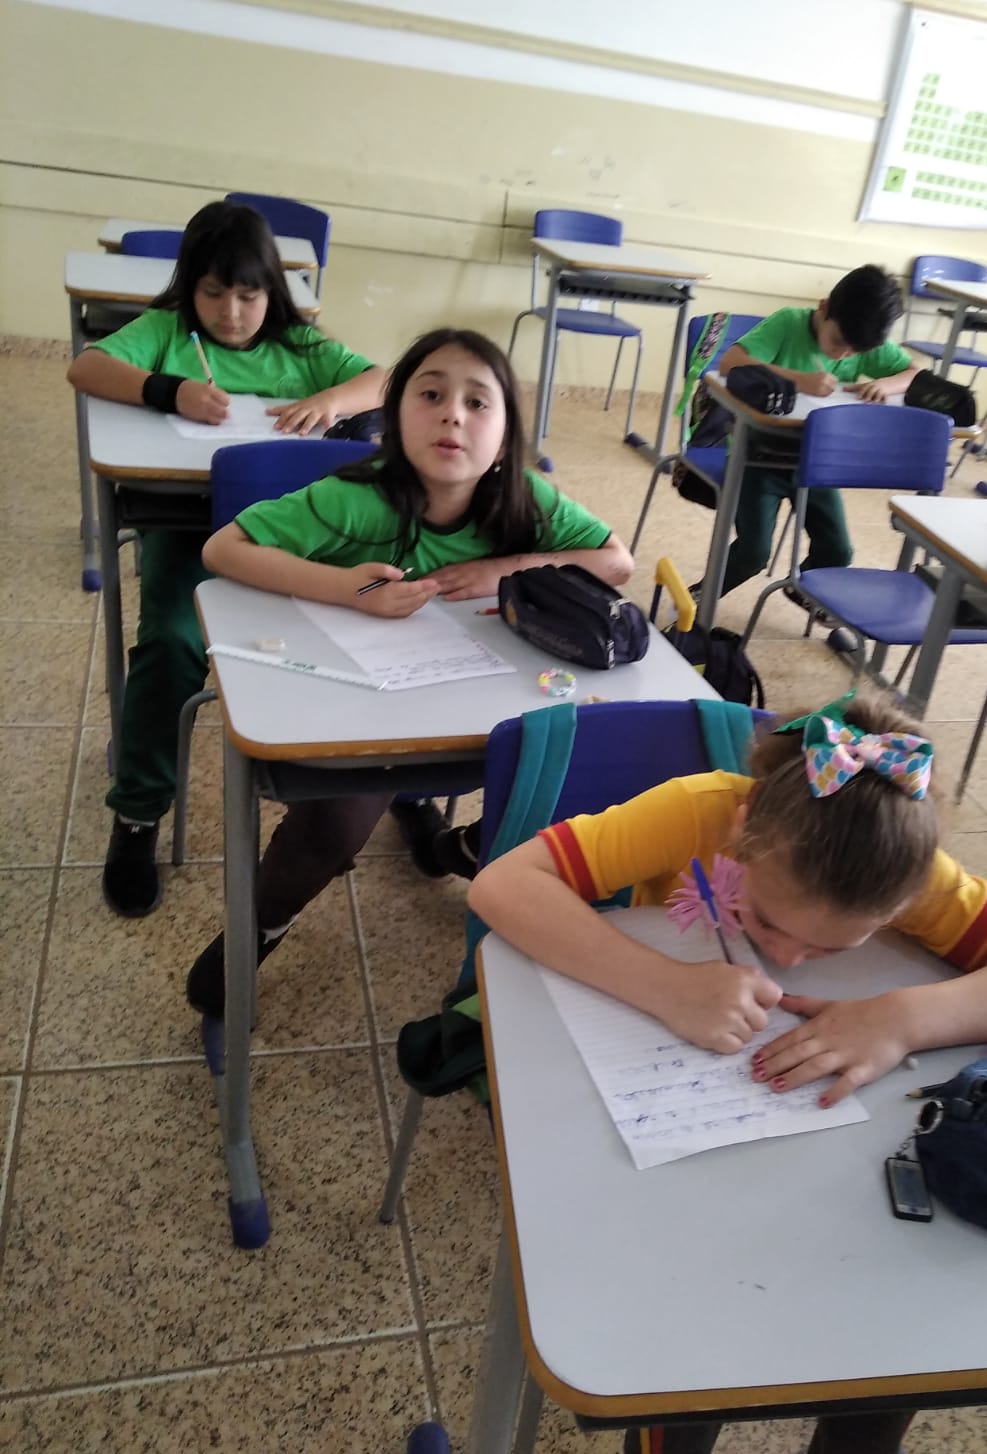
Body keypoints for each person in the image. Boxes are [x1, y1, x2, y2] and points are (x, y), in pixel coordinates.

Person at [468, 688, 987, 1454]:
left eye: (834, 947)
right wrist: (665, 986)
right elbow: (503, 885)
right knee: (686, 1343)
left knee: (897, 1290)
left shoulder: (903, 868)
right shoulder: (703, 811)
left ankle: (850, 1450)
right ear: (744, 831)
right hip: (659, 1144)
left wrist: (899, 1017)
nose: (788, 956)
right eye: (764, 918)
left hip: (823, 1158)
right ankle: (685, 1438)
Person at [184, 325, 633, 1017]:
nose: (453, 415)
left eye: (478, 403)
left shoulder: (523, 499)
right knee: (335, 824)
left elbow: (616, 561)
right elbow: (224, 548)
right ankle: (262, 925)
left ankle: (463, 845)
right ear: (394, 418)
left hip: (468, 700)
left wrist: (502, 568)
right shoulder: (355, 498)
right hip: (361, 702)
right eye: (431, 395)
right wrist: (347, 588)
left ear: (505, 440)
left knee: (588, 776)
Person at [67, 200, 386, 918]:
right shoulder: (168, 332)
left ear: (272, 291)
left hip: (288, 542)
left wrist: (333, 400)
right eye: (214, 293)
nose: (233, 313)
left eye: (249, 295)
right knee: (172, 644)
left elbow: (386, 379)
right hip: (190, 533)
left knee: (367, 630)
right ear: (191, 287)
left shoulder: (298, 345)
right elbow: (86, 367)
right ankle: (138, 813)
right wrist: (169, 389)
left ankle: (387, 792)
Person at [714, 264, 917, 597]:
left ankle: (801, 591)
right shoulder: (789, 322)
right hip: (757, 456)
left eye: (855, 352)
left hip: (817, 460)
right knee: (753, 554)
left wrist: (886, 384)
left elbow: (915, 374)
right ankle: (698, 600)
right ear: (823, 308)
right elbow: (729, 363)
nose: (843, 354)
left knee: (837, 552)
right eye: (837, 342)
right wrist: (799, 380)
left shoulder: (859, 335)